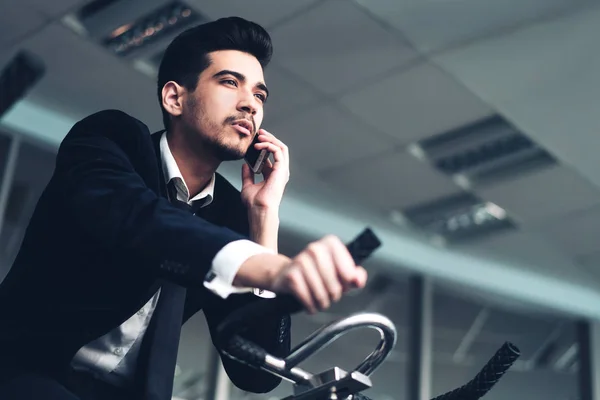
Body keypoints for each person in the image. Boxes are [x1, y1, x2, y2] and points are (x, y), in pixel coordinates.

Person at [0, 16, 368, 400]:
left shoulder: (229, 213)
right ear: (174, 97)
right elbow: (139, 219)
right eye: (230, 82)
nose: (249, 104)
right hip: (23, 373)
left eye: (260, 95)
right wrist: (271, 269)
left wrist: (264, 221)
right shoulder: (113, 139)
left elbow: (256, 375)